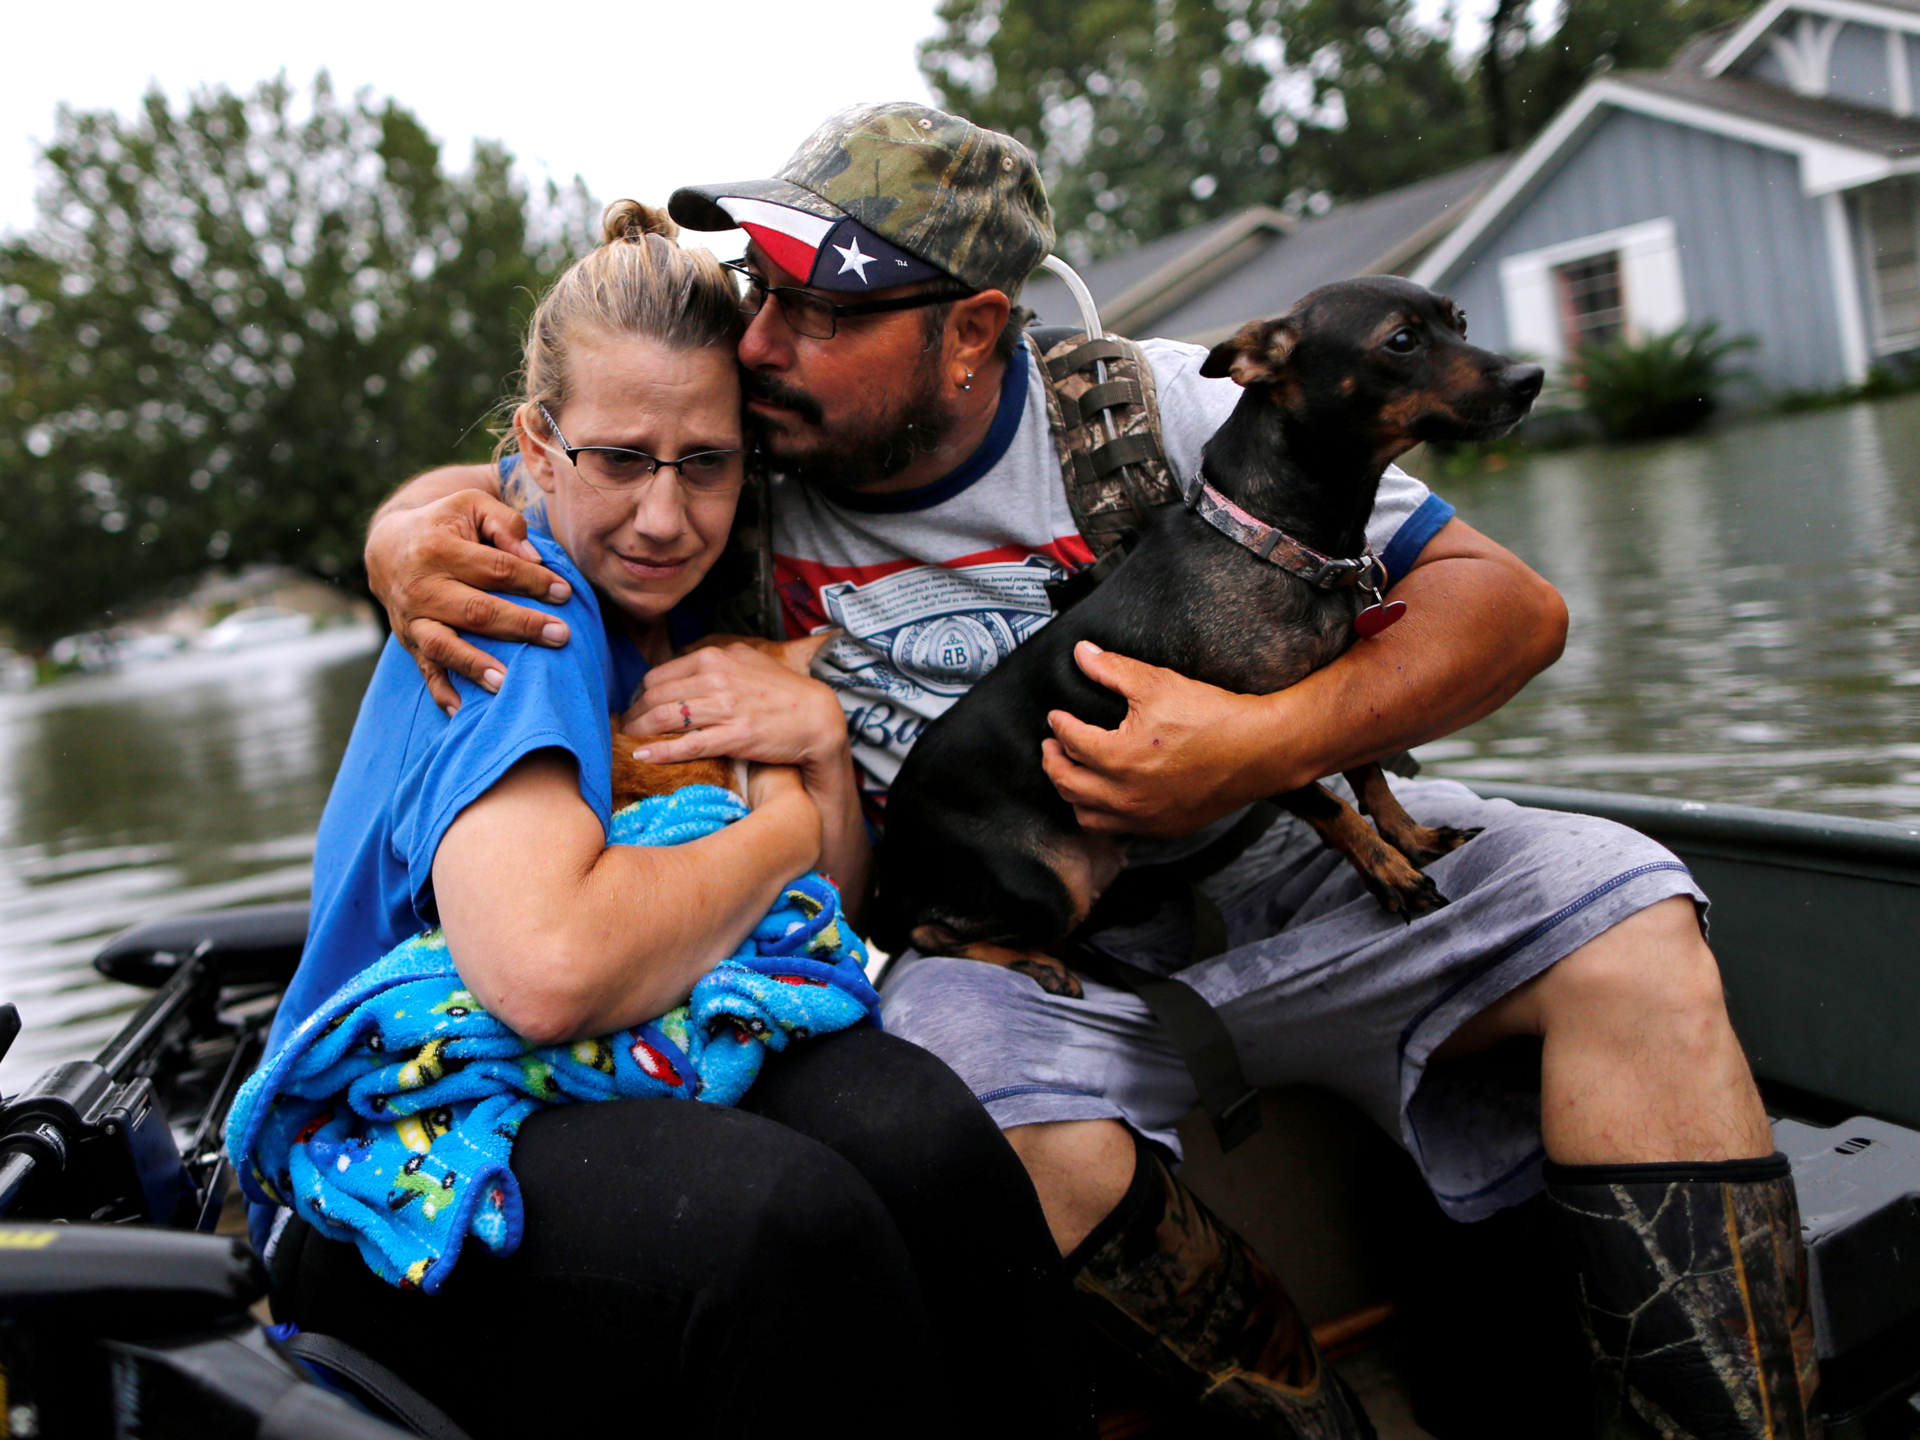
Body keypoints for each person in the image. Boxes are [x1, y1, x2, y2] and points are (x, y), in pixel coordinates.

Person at [363, 108, 1819, 1438]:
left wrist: (1259, 747)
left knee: (1633, 917)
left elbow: (1510, 610)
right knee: (944, 1092)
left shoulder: (1174, 408)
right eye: (763, 289)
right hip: (1018, 946)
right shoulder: (732, 463)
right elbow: (537, 470)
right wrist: (406, 539)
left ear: (972, 330)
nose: (762, 345)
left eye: (823, 310)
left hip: (1313, 875)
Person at [262, 199, 1089, 1440]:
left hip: (622, 1050)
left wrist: (814, 745)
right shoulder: (518, 602)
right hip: (399, 1152)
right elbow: (544, 972)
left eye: (705, 462)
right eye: (621, 461)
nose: (665, 513)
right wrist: (779, 834)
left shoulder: (700, 598)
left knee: (927, 1140)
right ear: (540, 450)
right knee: (783, 1226)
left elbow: (838, 914)